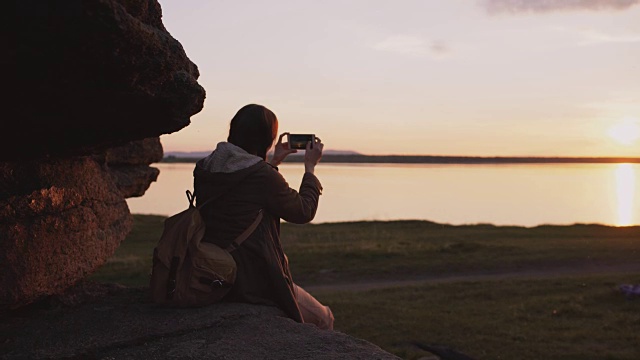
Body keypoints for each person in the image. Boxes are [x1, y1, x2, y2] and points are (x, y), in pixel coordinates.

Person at [193, 103, 334, 330]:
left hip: (210, 268)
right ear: (267, 139)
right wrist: (310, 168)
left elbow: (243, 191)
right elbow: (303, 211)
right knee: (325, 318)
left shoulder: (206, 166)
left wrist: (274, 161)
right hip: (251, 280)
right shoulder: (262, 176)